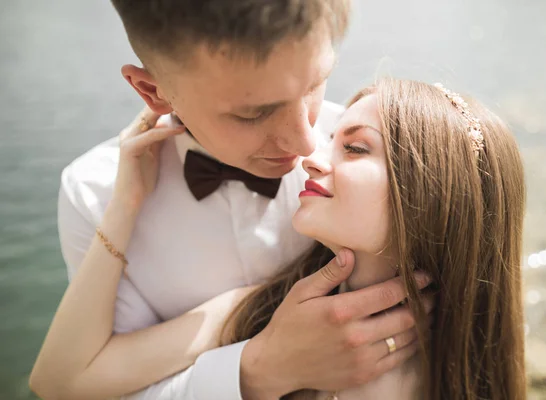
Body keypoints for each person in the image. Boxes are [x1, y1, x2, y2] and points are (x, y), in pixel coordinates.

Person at [29, 1, 432, 399]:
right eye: (253, 114)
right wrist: (257, 374)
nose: (307, 142)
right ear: (152, 91)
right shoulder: (92, 193)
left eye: (315, 84)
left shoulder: (365, 155)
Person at [217, 79, 528, 399]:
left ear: (434, 192)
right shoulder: (260, 306)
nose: (310, 158)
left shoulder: (444, 380)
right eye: (330, 140)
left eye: (354, 148)